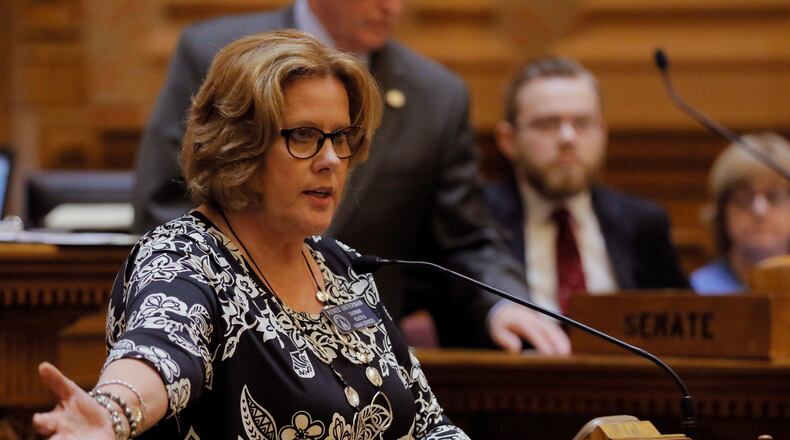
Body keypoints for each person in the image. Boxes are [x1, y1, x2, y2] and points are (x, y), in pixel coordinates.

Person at [33, 30, 471, 439]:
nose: (331, 160)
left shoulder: (339, 264)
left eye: (341, 137)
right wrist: (112, 415)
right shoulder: (183, 258)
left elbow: (426, 422)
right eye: (304, 136)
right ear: (239, 145)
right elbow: (159, 353)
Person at [132, 0, 570, 352]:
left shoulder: (438, 97)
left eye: (343, 139)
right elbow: (167, 203)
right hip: (229, 340)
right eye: (304, 136)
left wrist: (500, 304)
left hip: (363, 346)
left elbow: (467, 239)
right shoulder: (214, 52)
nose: (393, 7)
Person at [486, 56, 689, 315]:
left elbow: (684, 325)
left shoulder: (643, 223)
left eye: (582, 123)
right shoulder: (477, 219)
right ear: (508, 140)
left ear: (602, 134)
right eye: (547, 124)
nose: (567, 138)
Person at [691, 133, 790, 294]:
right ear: (722, 212)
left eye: (774, 197)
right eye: (744, 198)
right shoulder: (697, 292)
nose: (759, 210)